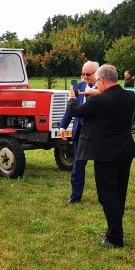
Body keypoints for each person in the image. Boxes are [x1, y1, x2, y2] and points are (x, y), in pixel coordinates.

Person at [66, 64, 135, 248]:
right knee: (120, 193)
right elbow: (111, 97)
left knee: (107, 196)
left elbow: (76, 112)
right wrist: (97, 93)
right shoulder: (130, 96)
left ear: (103, 80)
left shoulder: (98, 102)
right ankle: (114, 231)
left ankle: (115, 238)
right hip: (125, 151)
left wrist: (72, 98)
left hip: (106, 154)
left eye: (97, 81)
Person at [59, 61, 99, 203]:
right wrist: (63, 126)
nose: (84, 77)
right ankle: (75, 196)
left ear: (97, 73)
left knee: (101, 166)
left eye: (88, 74)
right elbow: (71, 108)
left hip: (97, 133)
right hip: (80, 132)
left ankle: (105, 196)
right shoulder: (78, 86)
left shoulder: (103, 88)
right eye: (82, 74)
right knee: (78, 165)